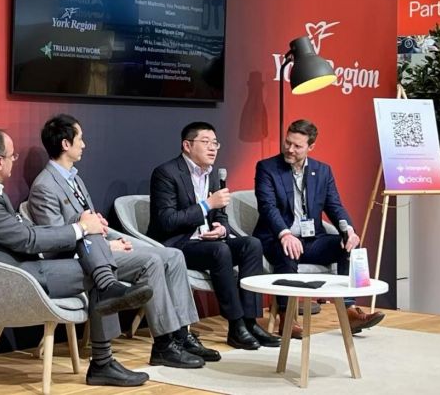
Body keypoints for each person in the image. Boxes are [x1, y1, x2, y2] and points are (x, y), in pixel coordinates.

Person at [0, 127, 152, 387]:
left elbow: (25, 232)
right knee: (94, 264)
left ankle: (107, 288)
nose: (14, 160)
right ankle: (103, 359)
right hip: (15, 278)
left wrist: (81, 225)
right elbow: (27, 240)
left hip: (24, 267)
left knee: (89, 235)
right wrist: (80, 228)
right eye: (12, 156)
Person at [28, 114, 221, 369]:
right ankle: (164, 345)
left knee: (173, 255)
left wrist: (106, 232)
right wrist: (107, 246)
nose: (84, 144)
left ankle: (181, 335)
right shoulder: (44, 186)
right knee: (151, 262)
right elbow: (56, 241)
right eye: (80, 138)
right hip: (82, 260)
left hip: (100, 246)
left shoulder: (74, 178)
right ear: (66, 144)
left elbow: (87, 222)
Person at [148, 121, 281, 350]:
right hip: (178, 245)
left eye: (215, 143)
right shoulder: (166, 173)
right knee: (220, 250)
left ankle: (250, 321)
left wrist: (222, 228)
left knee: (251, 244)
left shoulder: (211, 175)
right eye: (206, 142)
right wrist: (206, 205)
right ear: (187, 145)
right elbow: (166, 221)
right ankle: (236, 325)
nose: (212, 148)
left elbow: (220, 215)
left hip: (206, 241)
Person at [254, 119, 385, 339]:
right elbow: (267, 207)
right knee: (289, 251)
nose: (290, 149)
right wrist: (285, 234)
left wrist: (349, 231)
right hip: (277, 239)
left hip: (311, 240)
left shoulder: (322, 171)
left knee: (348, 246)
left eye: (297, 146)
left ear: (311, 147)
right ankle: (287, 318)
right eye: (287, 143)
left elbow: (334, 206)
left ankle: (349, 311)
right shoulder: (267, 168)